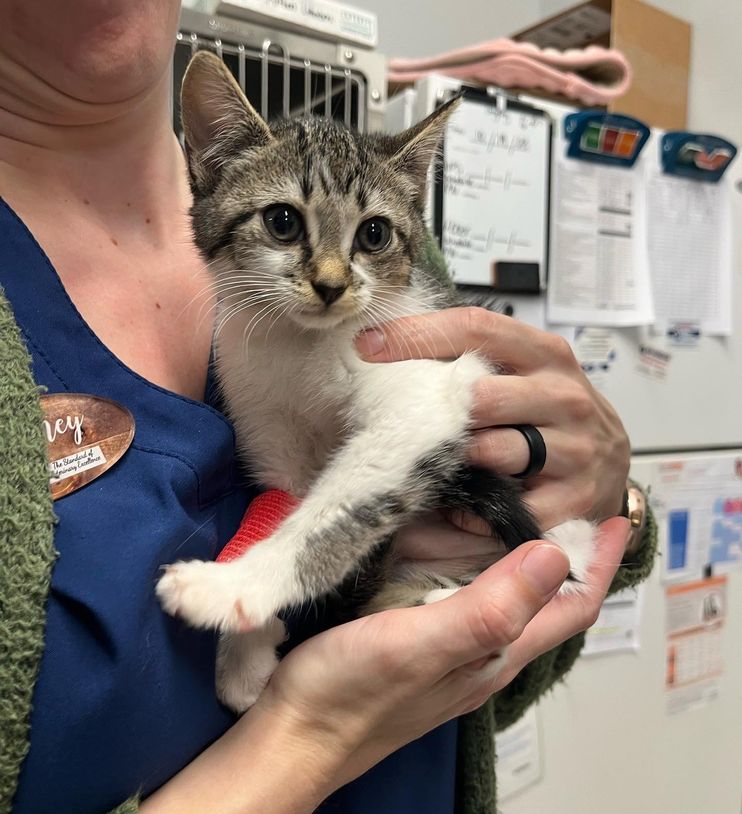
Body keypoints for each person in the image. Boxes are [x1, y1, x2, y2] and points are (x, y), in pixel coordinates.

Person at [0, 3, 650, 812]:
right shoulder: (260, 288)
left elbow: (480, 694)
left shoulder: (383, 272)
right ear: (216, 161)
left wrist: (608, 496)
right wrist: (311, 734)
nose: (334, 275)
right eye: (284, 224)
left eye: (371, 238)